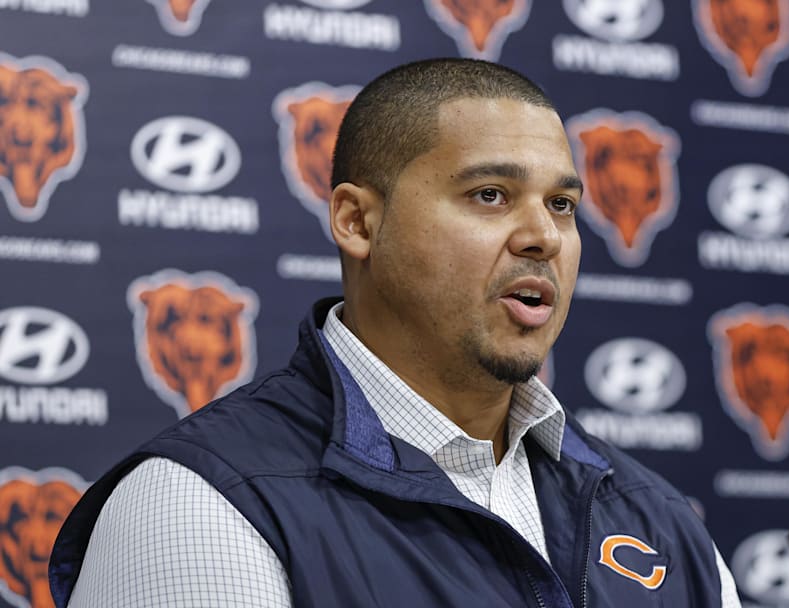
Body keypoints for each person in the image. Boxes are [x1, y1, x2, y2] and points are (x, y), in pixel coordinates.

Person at [50, 58, 741, 607]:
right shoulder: (202, 505)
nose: (542, 237)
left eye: (561, 205)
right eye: (490, 195)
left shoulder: (658, 520)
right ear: (357, 223)